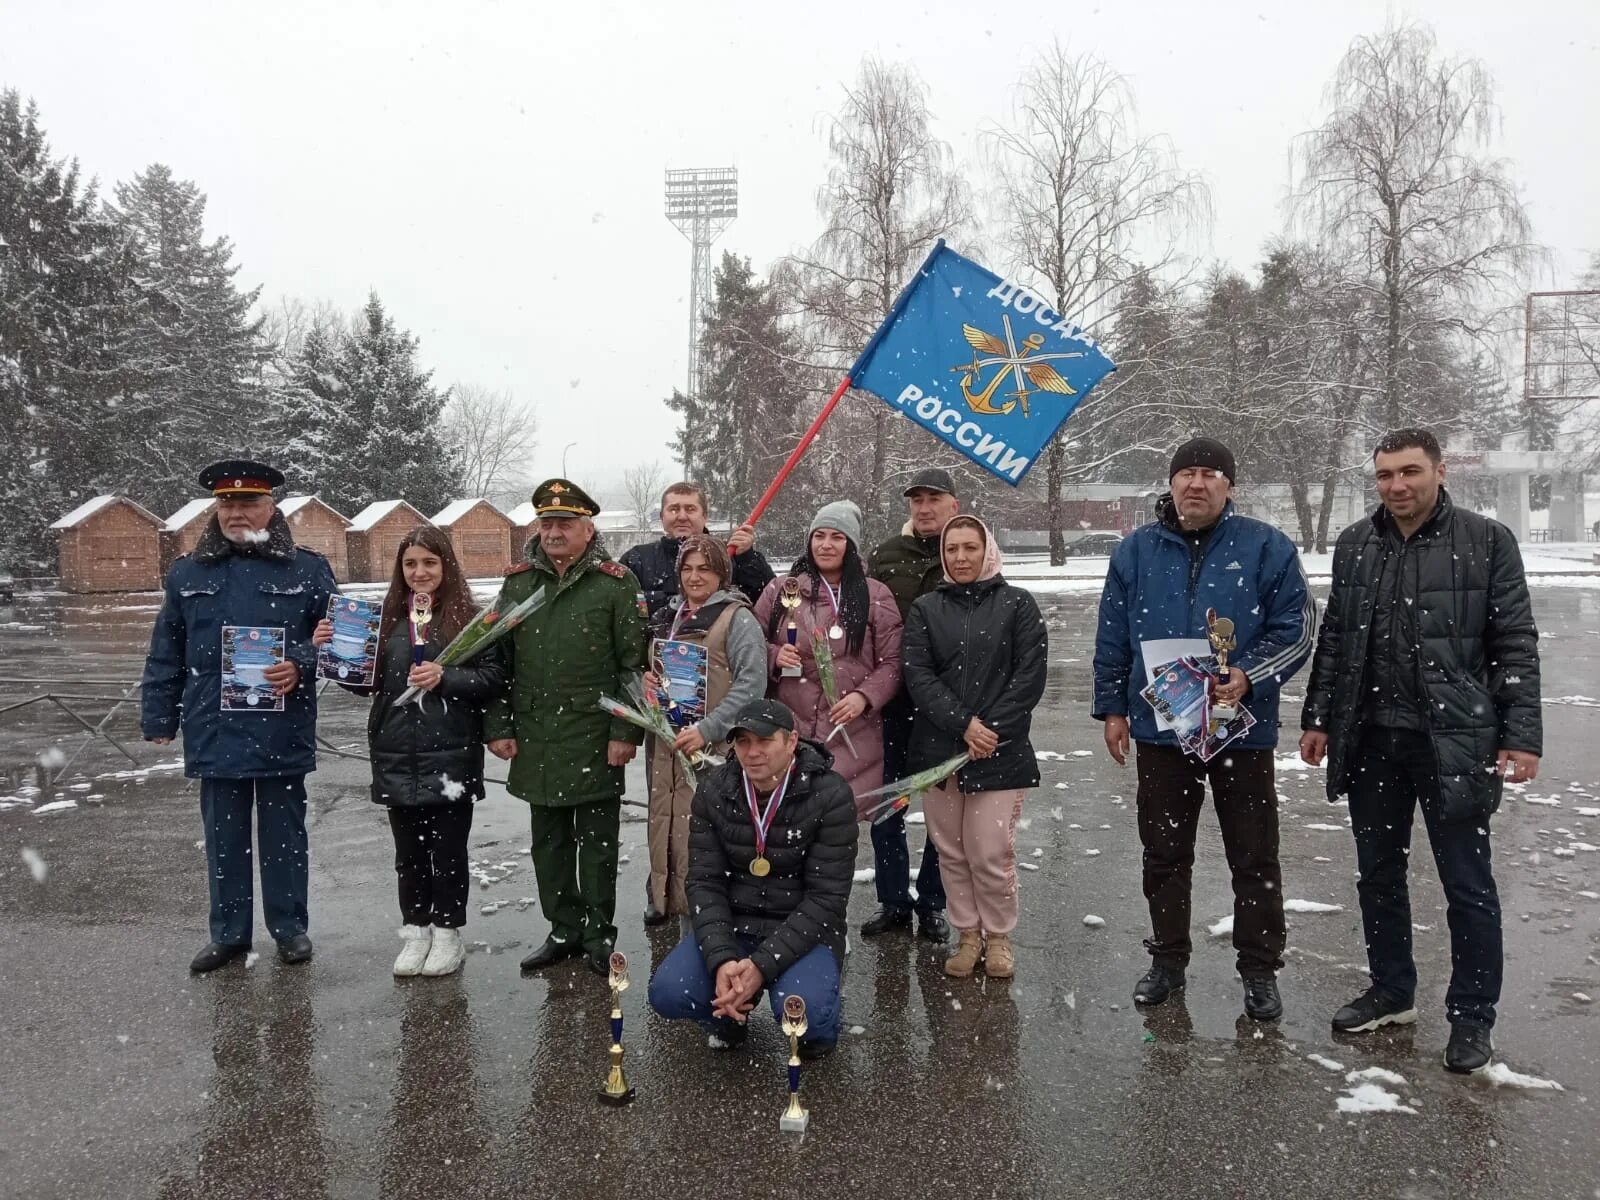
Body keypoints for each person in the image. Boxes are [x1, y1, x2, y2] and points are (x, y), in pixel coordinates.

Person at [1300, 428, 1541, 1074]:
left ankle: (1472, 1016)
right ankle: (1392, 989)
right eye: (1384, 475)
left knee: (1467, 885)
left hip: (1452, 743)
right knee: (1379, 876)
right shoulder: (1356, 545)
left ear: (1438, 471)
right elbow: (1337, 642)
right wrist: (1319, 717)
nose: (1397, 486)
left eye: (1409, 472)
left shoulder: (1486, 543)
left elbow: (1514, 644)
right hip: (1373, 739)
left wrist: (1521, 735)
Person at [1092, 438, 1314, 1021]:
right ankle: (1167, 958)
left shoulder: (1266, 546)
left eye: (1210, 474)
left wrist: (1249, 674)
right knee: (1164, 852)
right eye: (1186, 473)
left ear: (1229, 486)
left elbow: (1297, 628)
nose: (1197, 483)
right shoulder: (1137, 550)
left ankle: (1260, 968)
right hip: (1162, 731)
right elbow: (1112, 637)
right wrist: (1112, 708)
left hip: (1241, 730)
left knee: (1254, 855)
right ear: (1170, 484)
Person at [140, 460, 337, 972]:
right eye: (227, 503)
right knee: (224, 840)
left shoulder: (307, 569)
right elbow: (166, 649)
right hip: (214, 727)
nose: (236, 512)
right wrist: (159, 716)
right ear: (216, 509)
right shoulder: (188, 572)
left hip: (281, 726)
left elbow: (344, 642)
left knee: (284, 838)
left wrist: (302, 662)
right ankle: (228, 935)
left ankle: (290, 929)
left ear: (272, 507)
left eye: (248, 501)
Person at [312, 526, 507, 977]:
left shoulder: (470, 619)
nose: (420, 572)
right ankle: (415, 930)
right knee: (410, 854)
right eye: (411, 564)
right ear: (401, 570)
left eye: (430, 563)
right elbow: (367, 685)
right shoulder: (384, 620)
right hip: (395, 751)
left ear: (446, 566)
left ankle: (447, 934)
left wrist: (447, 677)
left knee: (449, 851)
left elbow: (494, 679)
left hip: (451, 753)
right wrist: (333, 652)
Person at [484, 478, 647, 976]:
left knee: (598, 842)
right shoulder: (518, 583)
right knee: (548, 841)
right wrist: (498, 724)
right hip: (536, 733)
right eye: (547, 522)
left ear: (587, 527)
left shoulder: (617, 583)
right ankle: (562, 929)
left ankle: (598, 933)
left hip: (596, 732)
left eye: (565, 523)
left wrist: (626, 733)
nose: (554, 531)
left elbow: (632, 664)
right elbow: (498, 662)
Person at [647, 699, 856, 1055]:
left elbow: (826, 898)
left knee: (807, 1012)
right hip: (734, 924)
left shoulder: (831, 795)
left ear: (791, 742)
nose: (753, 753)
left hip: (803, 929)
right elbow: (704, 881)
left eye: (764, 741)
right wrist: (723, 958)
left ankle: (817, 1030)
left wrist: (761, 966)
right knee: (669, 991)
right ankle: (727, 1017)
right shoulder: (714, 790)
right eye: (742, 742)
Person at [902, 515, 1047, 979]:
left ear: (987, 551)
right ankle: (967, 935)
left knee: (989, 851)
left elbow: (1029, 676)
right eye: (952, 549)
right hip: (940, 751)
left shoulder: (1017, 605)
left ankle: (999, 937)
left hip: (999, 753)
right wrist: (963, 724)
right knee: (951, 850)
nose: (960, 558)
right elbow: (918, 676)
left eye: (969, 548)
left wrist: (990, 731)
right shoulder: (927, 608)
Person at [641, 534, 766, 925]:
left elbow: (751, 685)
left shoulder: (737, 617)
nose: (695, 577)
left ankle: (712, 917)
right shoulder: (669, 615)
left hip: (711, 746)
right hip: (668, 744)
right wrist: (649, 683)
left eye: (705, 569)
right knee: (667, 820)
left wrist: (709, 728)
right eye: (688, 569)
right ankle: (669, 897)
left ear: (722, 574)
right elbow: (659, 670)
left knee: (709, 832)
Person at [752, 500, 903, 811]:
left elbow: (893, 661)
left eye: (837, 537)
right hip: (790, 730)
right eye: (819, 536)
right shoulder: (781, 590)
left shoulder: (874, 595)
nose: (826, 545)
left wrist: (864, 697)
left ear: (851, 545)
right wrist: (774, 656)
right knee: (787, 825)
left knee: (834, 833)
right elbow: (748, 644)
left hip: (851, 732)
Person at [862, 467, 958, 943]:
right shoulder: (886, 555)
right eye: (916, 500)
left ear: (953, 506)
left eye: (933, 500)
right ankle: (893, 900)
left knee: (942, 810)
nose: (923, 509)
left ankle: (934, 903)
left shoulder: (965, 552)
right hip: (893, 706)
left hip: (946, 709)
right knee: (889, 805)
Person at [622, 481, 774, 619]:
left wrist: (747, 558)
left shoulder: (731, 557)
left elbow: (769, 602)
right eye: (674, 509)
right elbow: (622, 608)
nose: (682, 516)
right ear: (662, 517)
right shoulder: (637, 559)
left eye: (690, 509)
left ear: (704, 516)